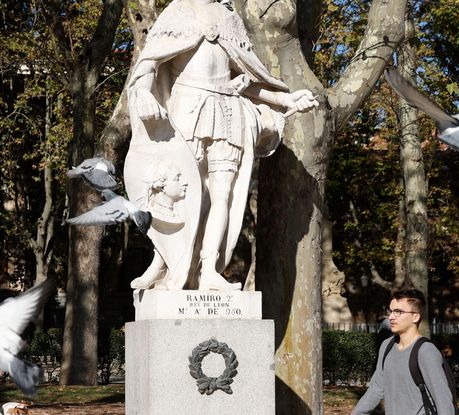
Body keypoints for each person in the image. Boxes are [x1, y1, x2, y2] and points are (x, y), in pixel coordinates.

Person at [124, 0, 318, 290]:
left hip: (228, 114)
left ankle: (210, 268)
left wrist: (285, 99)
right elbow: (150, 62)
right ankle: (163, 260)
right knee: (183, 192)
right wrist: (142, 91)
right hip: (186, 111)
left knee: (222, 194)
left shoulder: (229, 17)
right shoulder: (179, 11)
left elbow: (249, 78)